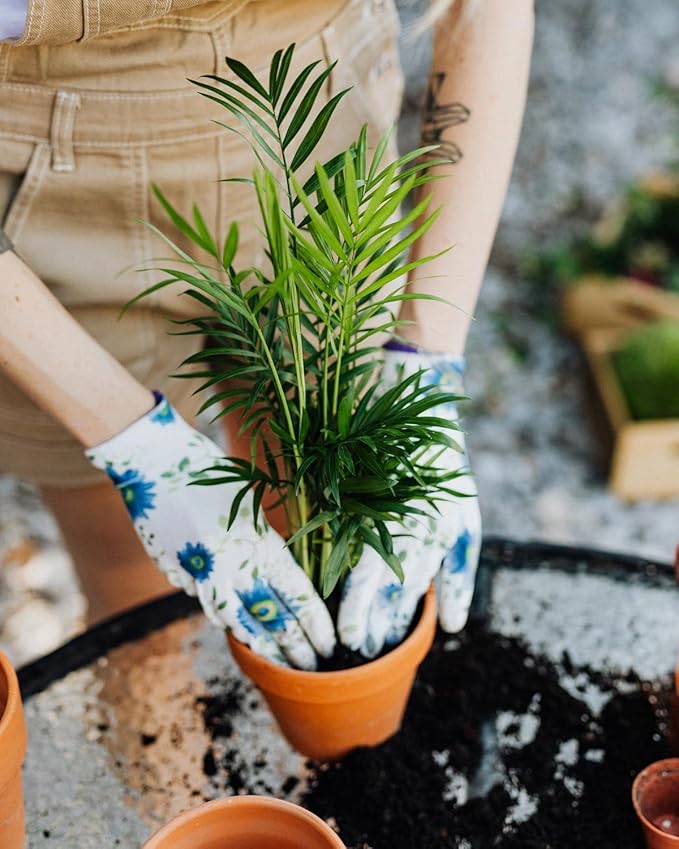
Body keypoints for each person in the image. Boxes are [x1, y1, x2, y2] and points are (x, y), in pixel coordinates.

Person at [0, 0, 534, 667]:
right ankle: (162, 762)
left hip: (313, 138)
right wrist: (136, 446)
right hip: (49, 194)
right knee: (136, 591)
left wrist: (426, 356)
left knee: (327, 507)